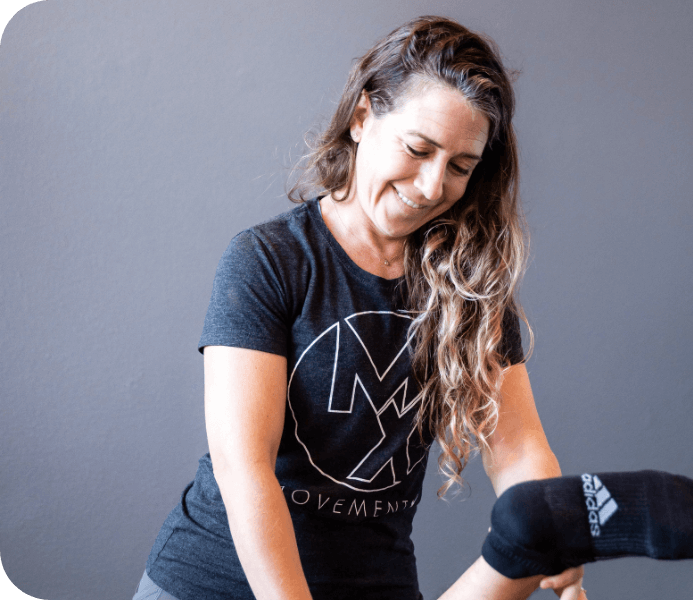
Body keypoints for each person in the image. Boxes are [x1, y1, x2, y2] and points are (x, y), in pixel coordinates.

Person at [134, 15, 588, 600]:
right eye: (418, 149)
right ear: (361, 117)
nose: (430, 186)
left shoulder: (469, 284)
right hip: (218, 583)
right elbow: (245, 471)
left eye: (459, 167)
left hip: (376, 582)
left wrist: (550, 530)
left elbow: (519, 446)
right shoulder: (269, 259)